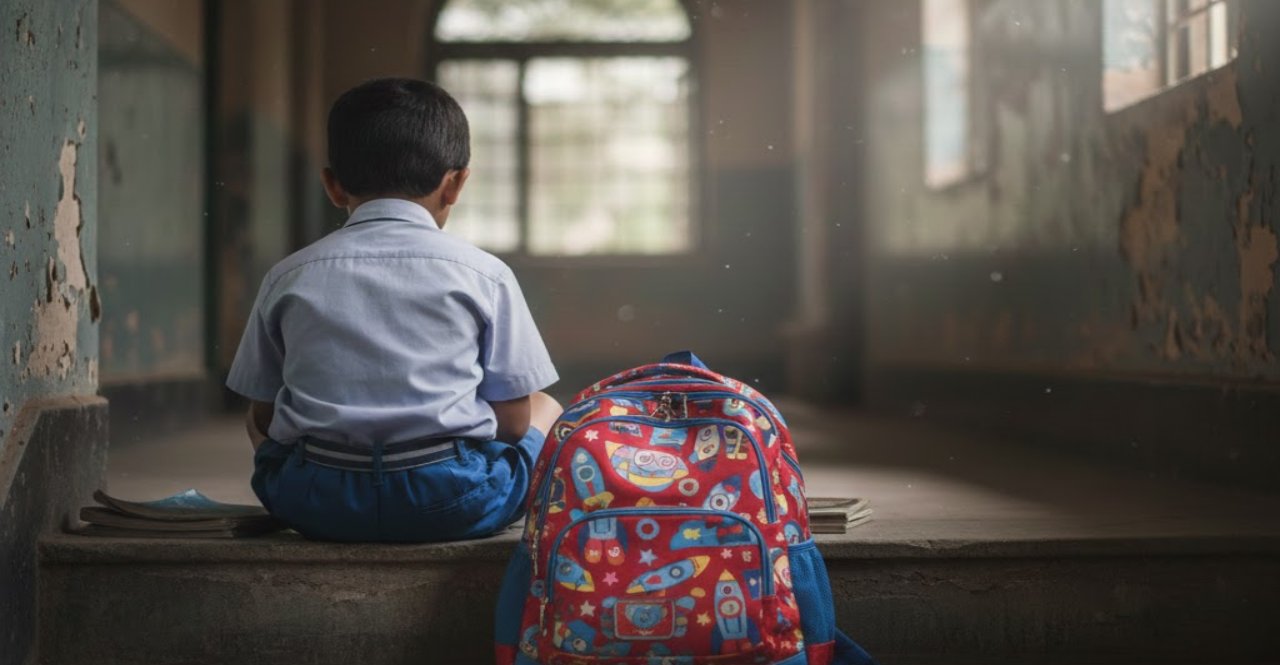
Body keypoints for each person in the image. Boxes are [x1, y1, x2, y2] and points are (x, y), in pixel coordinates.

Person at [225, 77, 562, 542]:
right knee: (545, 405)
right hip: (451, 502)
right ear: (456, 184)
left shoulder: (288, 275)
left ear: (332, 186)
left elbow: (263, 419)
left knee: (260, 413)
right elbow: (514, 422)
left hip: (315, 503)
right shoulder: (485, 274)